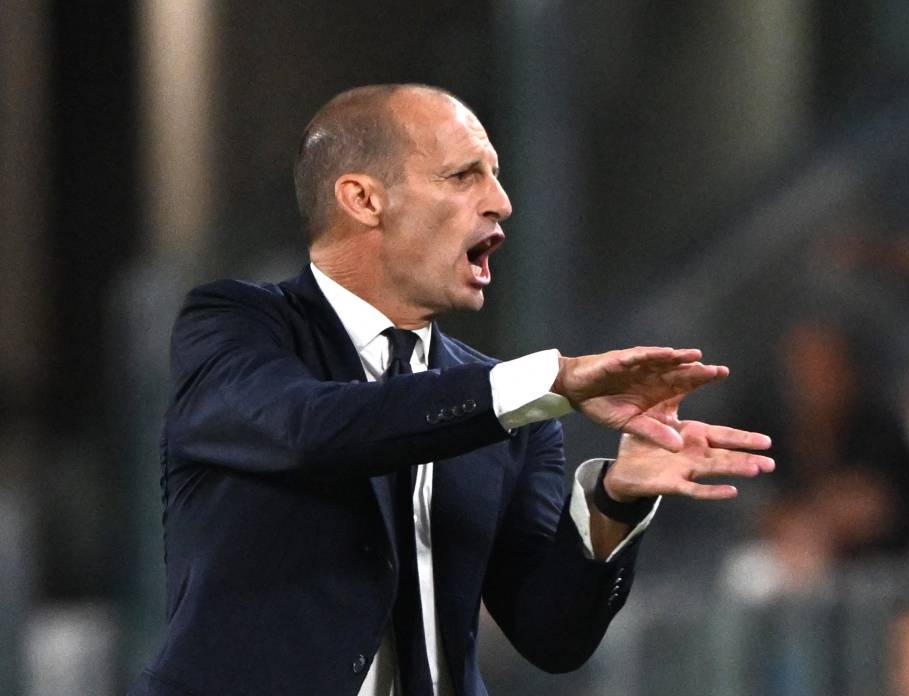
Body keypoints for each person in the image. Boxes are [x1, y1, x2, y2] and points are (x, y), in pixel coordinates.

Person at [128, 83, 773, 696]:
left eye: (494, 174)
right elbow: (311, 429)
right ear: (363, 199)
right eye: (463, 176)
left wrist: (616, 500)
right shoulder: (235, 326)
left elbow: (552, 637)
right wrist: (547, 381)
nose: (501, 201)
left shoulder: (514, 408)